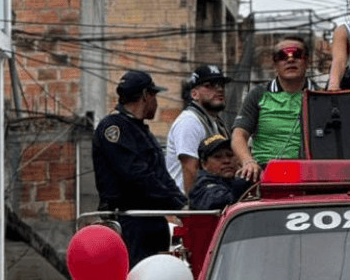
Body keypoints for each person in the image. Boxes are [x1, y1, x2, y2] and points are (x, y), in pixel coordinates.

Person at [92, 70, 187, 267]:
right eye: (154, 96)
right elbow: (138, 175)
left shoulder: (140, 130)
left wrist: (184, 205)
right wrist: (177, 204)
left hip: (151, 221)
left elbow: (161, 176)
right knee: (135, 279)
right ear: (145, 95)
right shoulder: (114, 128)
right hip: (130, 222)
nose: (157, 104)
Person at [232, 36, 321, 181]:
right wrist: (248, 162)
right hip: (264, 171)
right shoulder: (258, 95)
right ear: (275, 64)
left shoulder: (321, 95)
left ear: (308, 62)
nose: (290, 60)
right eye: (282, 56)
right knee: (239, 183)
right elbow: (238, 136)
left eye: (297, 54)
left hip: (309, 171)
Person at [166, 65, 231, 193]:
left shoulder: (214, 121)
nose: (219, 89)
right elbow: (190, 168)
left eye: (221, 85)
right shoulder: (189, 121)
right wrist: (193, 208)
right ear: (194, 94)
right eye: (210, 86)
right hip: (188, 202)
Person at [188, 134, 252, 210]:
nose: (226, 161)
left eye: (230, 155)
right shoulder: (202, 184)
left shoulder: (233, 179)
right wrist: (243, 182)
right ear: (204, 164)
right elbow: (219, 201)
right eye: (218, 157)